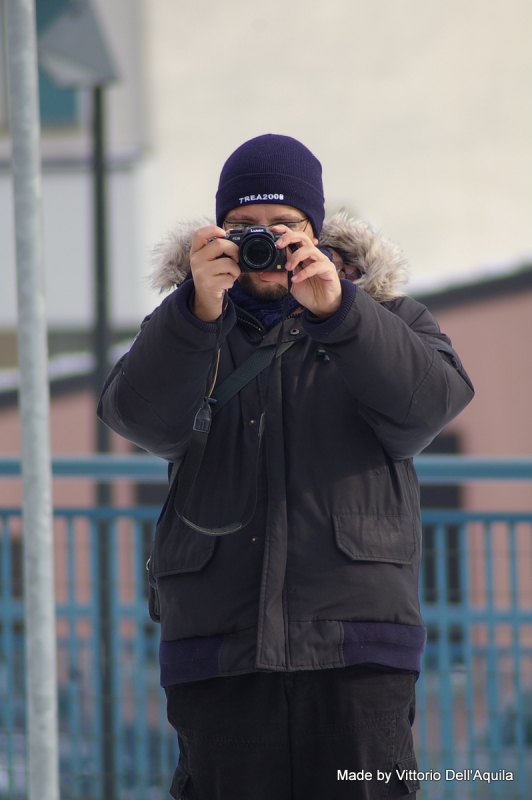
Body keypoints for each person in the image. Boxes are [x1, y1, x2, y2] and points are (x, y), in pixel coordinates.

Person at [98, 134, 474, 800]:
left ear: (317, 235)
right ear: (215, 237)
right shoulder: (186, 324)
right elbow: (138, 418)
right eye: (242, 230)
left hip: (357, 650)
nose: (262, 244)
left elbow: (427, 409)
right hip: (220, 649)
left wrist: (340, 313)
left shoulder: (385, 317)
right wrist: (194, 312)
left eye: (283, 228)